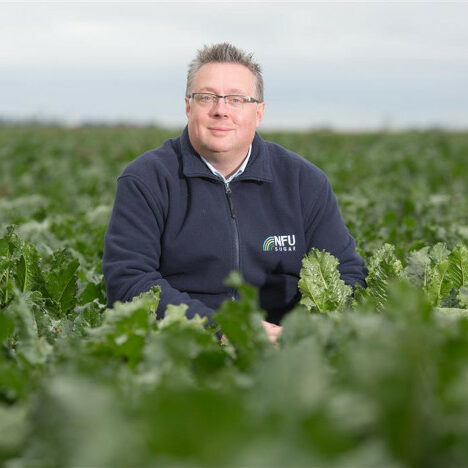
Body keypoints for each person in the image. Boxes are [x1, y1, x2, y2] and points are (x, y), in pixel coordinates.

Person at [103, 42, 367, 343]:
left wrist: (300, 336)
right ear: (188, 106)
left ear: (259, 112)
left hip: (289, 352)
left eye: (236, 100)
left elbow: (347, 274)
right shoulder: (146, 180)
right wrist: (219, 330)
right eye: (207, 98)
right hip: (181, 351)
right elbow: (128, 280)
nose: (221, 111)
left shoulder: (305, 183)